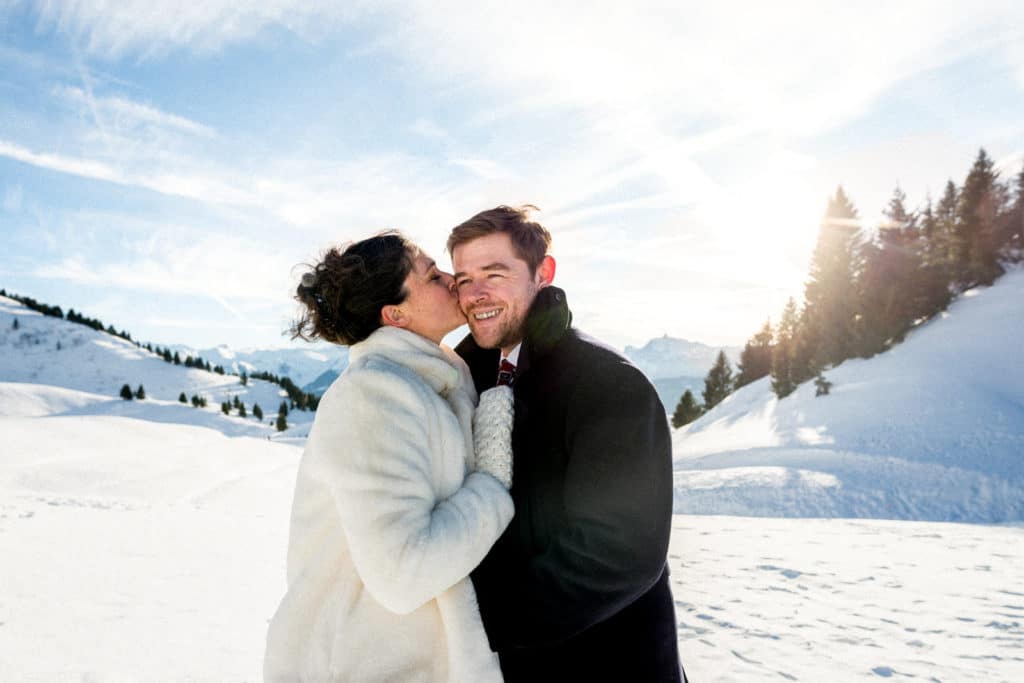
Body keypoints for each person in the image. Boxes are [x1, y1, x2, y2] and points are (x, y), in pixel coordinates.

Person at [264, 231, 516, 683]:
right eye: (432, 276)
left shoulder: (438, 378)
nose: (451, 280)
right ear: (396, 314)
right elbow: (403, 574)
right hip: (365, 663)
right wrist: (492, 486)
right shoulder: (371, 398)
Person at [448, 206, 685, 681]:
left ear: (543, 272)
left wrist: (479, 618)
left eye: (495, 273)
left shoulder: (608, 384)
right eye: (463, 278)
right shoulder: (461, 375)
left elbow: (619, 550)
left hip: (610, 663)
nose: (475, 295)